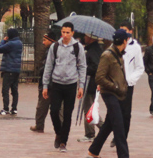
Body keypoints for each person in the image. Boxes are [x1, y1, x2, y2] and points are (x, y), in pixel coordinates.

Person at [42, 21, 86, 152]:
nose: (65, 35)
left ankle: (63, 142)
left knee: (67, 114)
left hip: (71, 84)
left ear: (72, 32)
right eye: (63, 32)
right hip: (56, 83)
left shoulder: (78, 47)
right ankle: (59, 133)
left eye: (67, 32)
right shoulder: (55, 47)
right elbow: (48, 66)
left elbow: (82, 67)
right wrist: (45, 85)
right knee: (54, 111)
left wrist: (81, 85)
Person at [89, 29, 131, 158]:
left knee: (109, 124)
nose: (128, 41)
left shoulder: (119, 54)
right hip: (109, 93)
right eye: (127, 39)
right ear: (124, 41)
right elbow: (99, 78)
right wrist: (115, 87)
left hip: (119, 94)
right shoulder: (107, 55)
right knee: (118, 126)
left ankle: (94, 150)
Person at [117, 22, 145, 142]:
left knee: (126, 113)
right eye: (121, 30)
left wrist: (131, 79)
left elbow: (140, 67)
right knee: (115, 111)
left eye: (125, 30)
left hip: (128, 84)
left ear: (130, 31)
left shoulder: (136, 47)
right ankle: (116, 135)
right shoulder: (116, 45)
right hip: (116, 84)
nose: (123, 32)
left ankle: (123, 137)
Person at [31, 31, 57, 133]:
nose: (43, 42)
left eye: (45, 40)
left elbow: (47, 68)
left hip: (49, 84)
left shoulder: (51, 51)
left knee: (42, 106)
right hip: (51, 82)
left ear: (51, 40)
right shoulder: (50, 50)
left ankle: (39, 125)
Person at [79, 32, 103, 142]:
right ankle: (93, 131)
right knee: (89, 107)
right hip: (91, 82)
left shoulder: (93, 50)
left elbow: (96, 66)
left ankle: (92, 132)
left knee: (88, 108)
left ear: (90, 37)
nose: (84, 37)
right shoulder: (92, 49)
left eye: (86, 36)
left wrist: (85, 69)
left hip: (91, 83)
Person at [0, 27, 23, 115]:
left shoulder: (10, 44)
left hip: (8, 69)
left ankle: (5, 108)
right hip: (16, 69)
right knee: (14, 89)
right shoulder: (19, 43)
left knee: (5, 89)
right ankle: (14, 108)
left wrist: (3, 41)